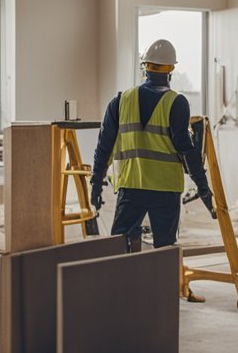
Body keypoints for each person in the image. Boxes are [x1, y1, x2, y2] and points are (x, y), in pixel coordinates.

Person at [90, 39, 212, 252]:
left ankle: (121, 285)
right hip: (165, 189)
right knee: (165, 250)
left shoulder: (120, 101)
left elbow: (104, 148)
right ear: (171, 70)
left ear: (144, 67)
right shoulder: (177, 103)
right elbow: (186, 150)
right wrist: (203, 189)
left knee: (120, 246)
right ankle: (164, 286)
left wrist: (95, 183)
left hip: (131, 187)